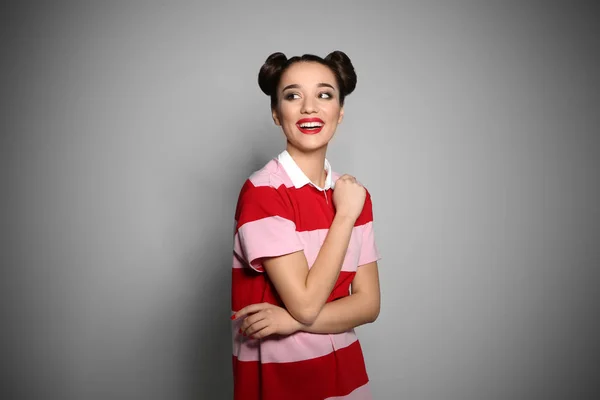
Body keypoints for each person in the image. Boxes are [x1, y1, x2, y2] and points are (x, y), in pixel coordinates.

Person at [230, 51, 381, 400]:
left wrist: (291, 321)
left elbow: (369, 304)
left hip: (348, 384)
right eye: (293, 95)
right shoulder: (263, 192)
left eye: (324, 94)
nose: (309, 107)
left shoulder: (353, 194)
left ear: (340, 112)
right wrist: (344, 216)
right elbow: (306, 304)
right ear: (275, 113)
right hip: (283, 386)